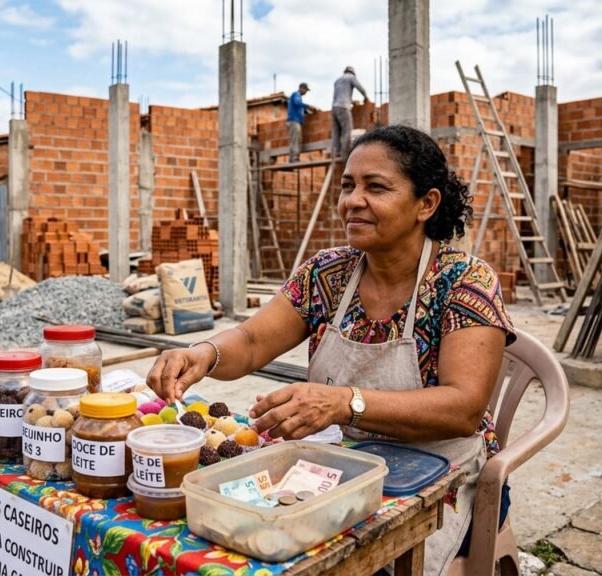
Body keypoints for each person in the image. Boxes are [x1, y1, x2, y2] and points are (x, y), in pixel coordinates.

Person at [147, 125, 515, 575]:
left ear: (426, 203)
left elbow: (463, 408)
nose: (352, 201)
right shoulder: (328, 273)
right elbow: (251, 340)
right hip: (343, 465)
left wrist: (343, 403)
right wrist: (202, 353)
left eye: (375, 187)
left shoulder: (465, 283)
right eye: (347, 185)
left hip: (444, 475)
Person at [331, 66, 369, 158]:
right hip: (344, 107)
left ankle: (335, 153)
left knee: (336, 132)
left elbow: (339, 95)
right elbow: (361, 89)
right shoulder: (351, 77)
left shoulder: (337, 80)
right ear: (352, 72)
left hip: (334, 107)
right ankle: (345, 154)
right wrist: (366, 97)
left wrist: (351, 101)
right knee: (347, 130)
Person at [286, 82, 311, 163]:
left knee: (295, 140)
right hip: (294, 121)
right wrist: (307, 106)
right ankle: (294, 158)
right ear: (301, 88)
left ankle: (292, 158)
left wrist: (306, 111)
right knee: (296, 140)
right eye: (305, 90)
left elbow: (298, 107)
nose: (306, 92)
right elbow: (297, 103)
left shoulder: (297, 96)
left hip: (294, 121)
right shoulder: (296, 94)